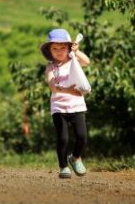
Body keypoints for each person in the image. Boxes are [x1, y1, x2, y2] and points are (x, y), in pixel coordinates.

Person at [40, 28, 90, 179]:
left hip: (77, 106)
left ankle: (75, 157)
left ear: (69, 47)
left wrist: (77, 52)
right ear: (49, 50)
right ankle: (63, 166)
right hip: (59, 107)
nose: (59, 51)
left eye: (63, 47)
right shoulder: (51, 66)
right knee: (63, 138)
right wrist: (71, 91)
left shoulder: (74, 61)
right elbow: (53, 86)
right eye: (55, 48)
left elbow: (87, 62)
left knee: (82, 136)